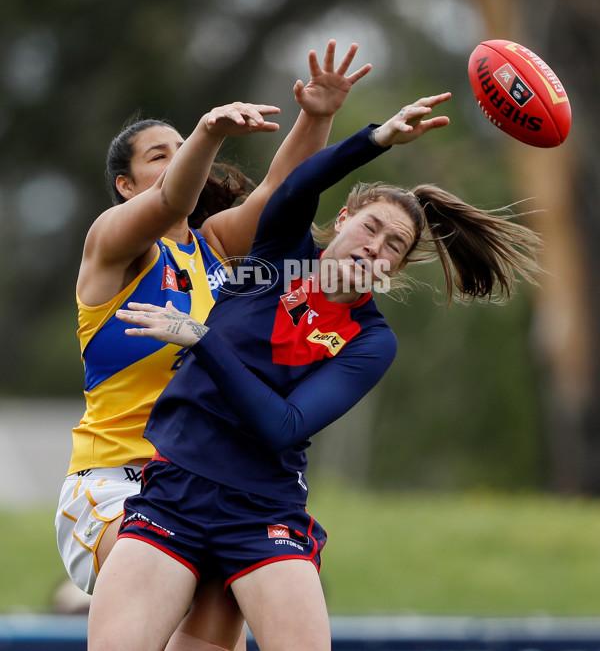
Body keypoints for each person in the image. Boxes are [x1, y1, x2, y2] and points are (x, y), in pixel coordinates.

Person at [87, 92, 541, 651]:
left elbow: (285, 426)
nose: (374, 248)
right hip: (175, 490)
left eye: (393, 248)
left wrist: (202, 340)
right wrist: (376, 139)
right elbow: (296, 183)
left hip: (263, 513)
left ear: (393, 271)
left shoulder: (372, 340)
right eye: (371, 228)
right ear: (344, 219)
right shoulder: (276, 258)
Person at [55, 41, 372, 651]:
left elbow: (284, 191)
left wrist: (318, 115)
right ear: (125, 185)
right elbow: (172, 198)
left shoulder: (213, 249)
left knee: (224, 602)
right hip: (115, 481)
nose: (178, 163)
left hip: (208, 483)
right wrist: (206, 132)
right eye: (160, 155)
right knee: (192, 573)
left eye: (182, 149)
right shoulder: (114, 247)